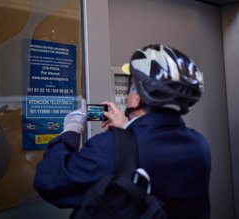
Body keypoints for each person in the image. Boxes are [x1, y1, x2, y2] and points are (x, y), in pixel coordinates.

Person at [34, 44, 211, 219]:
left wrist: (71, 129)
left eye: (132, 85)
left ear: (138, 96)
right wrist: (127, 128)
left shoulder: (111, 146)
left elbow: (50, 181)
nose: (129, 92)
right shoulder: (199, 144)